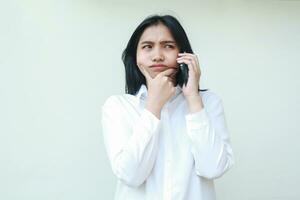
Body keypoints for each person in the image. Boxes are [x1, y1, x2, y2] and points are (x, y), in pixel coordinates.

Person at [101, 14, 234, 200]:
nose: (157, 56)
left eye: (168, 46)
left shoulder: (208, 102)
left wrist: (194, 98)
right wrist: (154, 106)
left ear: (183, 54)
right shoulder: (118, 107)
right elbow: (130, 175)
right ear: (136, 56)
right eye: (147, 47)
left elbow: (213, 168)